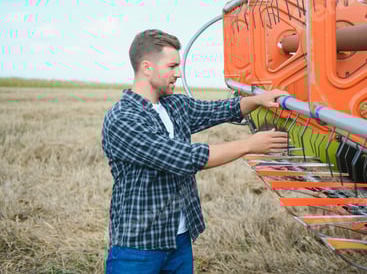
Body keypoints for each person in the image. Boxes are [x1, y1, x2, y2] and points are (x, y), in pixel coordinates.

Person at [101, 29, 289, 273]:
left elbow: (220, 109)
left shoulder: (174, 104)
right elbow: (185, 158)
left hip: (179, 238)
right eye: (172, 66)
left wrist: (258, 100)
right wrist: (250, 145)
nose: (177, 74)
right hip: (139, 245)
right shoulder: (123, 119)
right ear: (147, 68)